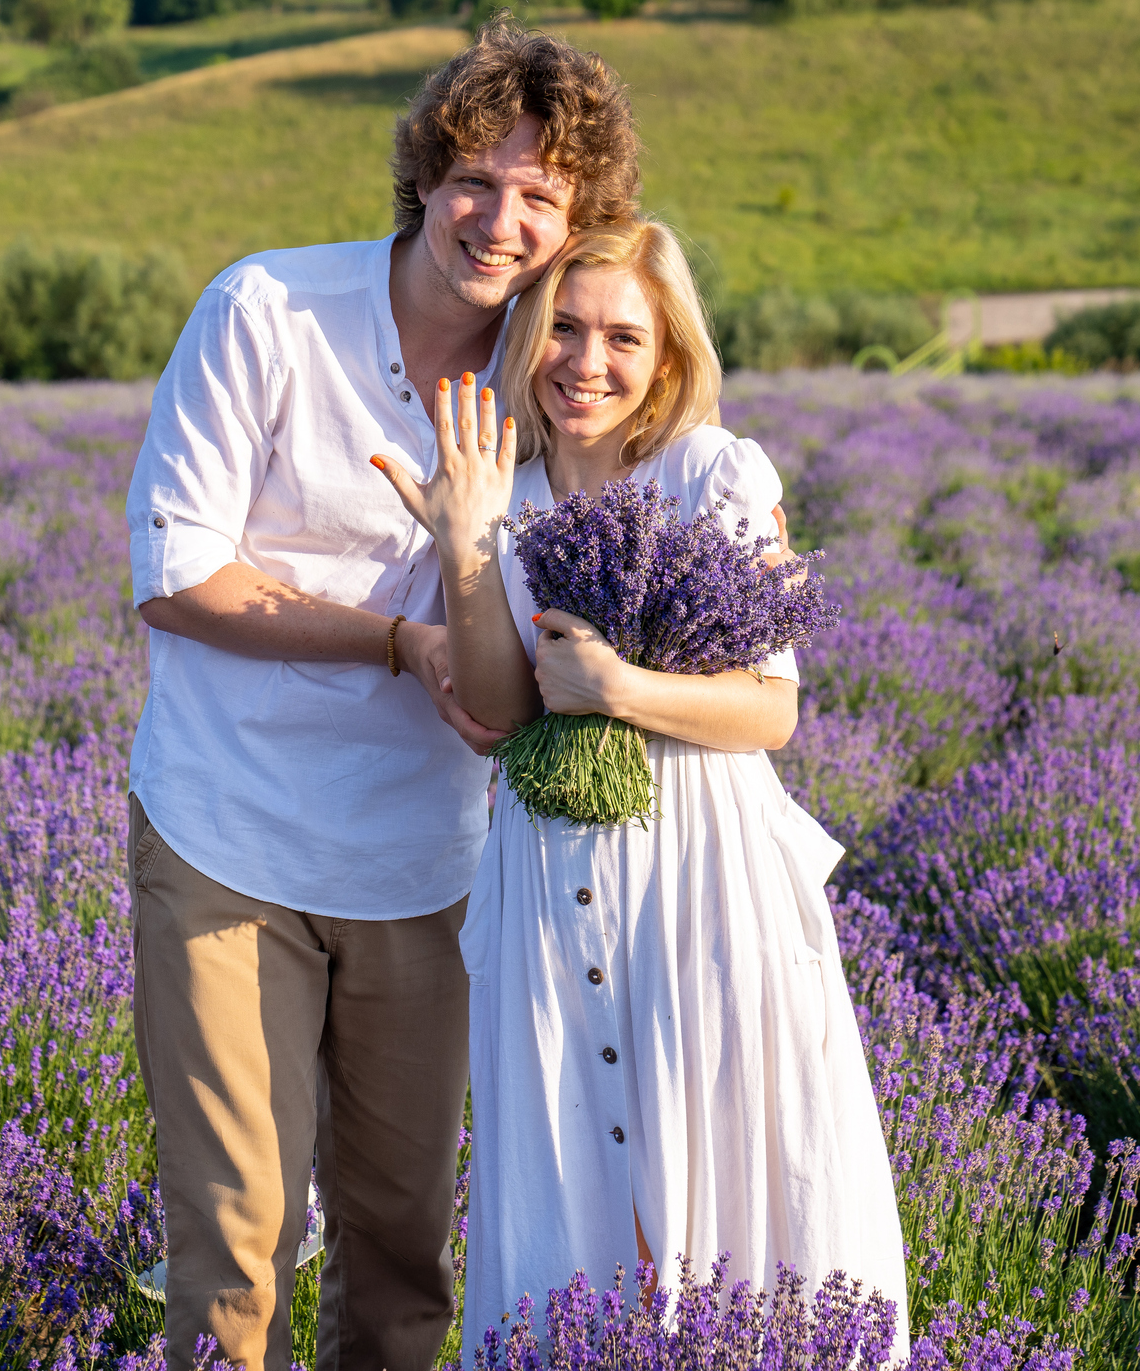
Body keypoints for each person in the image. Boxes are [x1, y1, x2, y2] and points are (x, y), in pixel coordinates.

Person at [123, 21, 639, 1371]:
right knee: (235, 1233)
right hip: (226, 833)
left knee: (404, 1244)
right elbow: (174, 572)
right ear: (425, 174)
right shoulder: (270, 312)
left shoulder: (553, 384)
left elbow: (546, 644)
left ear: (577, 219)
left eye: (542, 197)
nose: (501, 218)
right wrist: (392, 641)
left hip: (427, 859)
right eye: (478, 178)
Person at [371, 218, 912, 1362]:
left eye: (623, 334)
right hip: (546, 895)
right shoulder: (503, 489)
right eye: (563, 326)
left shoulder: (713, 471)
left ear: (667, 356)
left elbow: (773, 709)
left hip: (702, 889)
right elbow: (502, 717)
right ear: (527, 334)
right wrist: (468, 546)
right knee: (574, 1195)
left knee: (727, 1194)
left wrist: (621, 687)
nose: (586, 359)